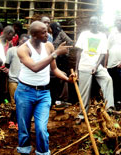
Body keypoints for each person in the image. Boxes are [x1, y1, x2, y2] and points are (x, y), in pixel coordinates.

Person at [15, 21, 74, 155]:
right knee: (24, 127)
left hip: (44, 93)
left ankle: (42, 152)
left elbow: (54, 69)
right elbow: (35, 67)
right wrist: (56, 54)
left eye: (47, 31)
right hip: (25, 92)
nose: (47, 34)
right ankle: (24, 150)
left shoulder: (48, 46)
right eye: (43, 32)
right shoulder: (23, 49)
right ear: (34, 35)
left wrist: (67, 79)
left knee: (41, 128)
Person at [75, 16, 114, 124]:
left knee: (107, 79)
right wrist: (76, 68)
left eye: (95, 22)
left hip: (96, 65)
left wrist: (96, 66)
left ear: (98, 24)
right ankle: (82, 115)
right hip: (84, 65)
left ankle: (109, 108)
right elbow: (78, 52)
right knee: (84, 92)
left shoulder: (102, 36)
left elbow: (102, 53)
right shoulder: (84, 35)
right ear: (89, 23)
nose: (93, 24)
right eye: (91, 22)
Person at [5, 34, 29, 127]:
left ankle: (20, 121)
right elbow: (7, 64)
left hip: (25, 81)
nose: (24, 42)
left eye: (26, 41)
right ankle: (12, 120)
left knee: (23, 102)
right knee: (14, 102)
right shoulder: (12, 50)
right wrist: (9, 72)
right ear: (19, 40)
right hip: (14, 80)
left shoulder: (30, 52)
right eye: (23, 40)